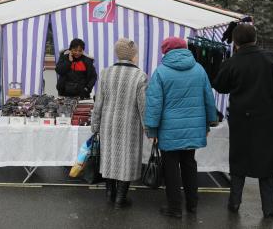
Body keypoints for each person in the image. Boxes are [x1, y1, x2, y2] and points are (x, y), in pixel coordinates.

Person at [213, 24, 273, 219]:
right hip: (266, 122)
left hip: (240, 121)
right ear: (255, 38)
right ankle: (269, 209)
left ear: (236, 42)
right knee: (267, 164)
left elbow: (220, 86)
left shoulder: (232, 63)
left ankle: (234, 203)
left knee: (239, 161)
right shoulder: (272, 59)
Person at [144, 36, 217, 218]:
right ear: (185, 49)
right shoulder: (199, 69)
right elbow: (209, 98)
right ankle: (192, 205)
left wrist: (152, 129)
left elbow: (154, 104)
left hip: (169, 129)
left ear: (166, 52)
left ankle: (175, 208)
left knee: (171, 168)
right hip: (193, 127)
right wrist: (209, 123)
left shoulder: (160, 72)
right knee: (189, 164)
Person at [91, 38, 148, 209]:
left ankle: (110, 194)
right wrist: (149, 129)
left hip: (108, 124)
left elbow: (98, 102)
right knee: (127, 160)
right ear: (132, 55)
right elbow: (143, 106)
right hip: (129, 125)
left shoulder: (106, 73)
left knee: (109, 158)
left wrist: (95, 125)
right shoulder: (140, 76)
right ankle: (120, 198)